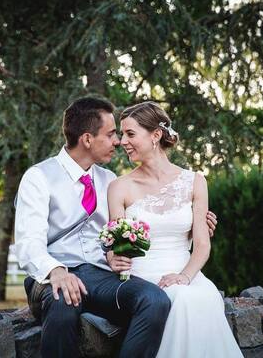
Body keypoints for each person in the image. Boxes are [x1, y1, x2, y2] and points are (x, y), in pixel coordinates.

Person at [14, 97, 217, 358]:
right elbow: (28, 243)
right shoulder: (38, 177)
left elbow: (129, 232)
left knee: (154, 300)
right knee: (63, 303)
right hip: (52, 276)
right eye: (111, 134)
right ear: (87, 139)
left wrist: (194, 224)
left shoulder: (109, 180)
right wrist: (57, 272)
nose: (118, 142)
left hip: (101, 277)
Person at [107, 101, 243, 358]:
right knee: (182, 300)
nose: (122, 141)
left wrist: (185, 276)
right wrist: (114, 259)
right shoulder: (119, 187)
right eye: (122, 134)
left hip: (188, 274)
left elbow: (202, 244)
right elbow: (115, 247)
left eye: (130, 134)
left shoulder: (195, 181)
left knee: (199, 297)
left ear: (156, 135)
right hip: (145, 279)